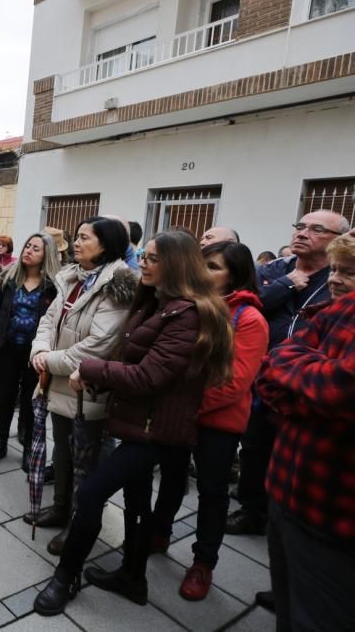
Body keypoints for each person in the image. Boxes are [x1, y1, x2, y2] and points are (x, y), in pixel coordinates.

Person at [34, 230, 234, 616]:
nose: (142, 263)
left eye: (152, 259)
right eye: (143, 256)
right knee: (137, 502)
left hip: (156, 429)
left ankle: (65, 577)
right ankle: (133, 576)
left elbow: (148, 376)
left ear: (175, 264)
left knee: (91, 493)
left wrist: (92, 368)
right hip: (137, 420)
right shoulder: (157, 302)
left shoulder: (187, 313)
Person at [150, 241, 269, 601]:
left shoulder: (249, 319)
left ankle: (203, 562)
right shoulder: (191, 307)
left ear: (236, 274)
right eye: (203, 265)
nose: (205, 273)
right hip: (179, 413)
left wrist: (185, 408)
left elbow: (234, 383)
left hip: (216, 422)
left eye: (214, 267)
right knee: (170, 479)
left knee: (213, 493)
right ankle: (158, 533)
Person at [227, 210, 348, 537]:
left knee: (295, 454)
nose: (303, 233)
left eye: (317, 229)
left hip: (307, 383)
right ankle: (252, 511)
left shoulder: (338, 277)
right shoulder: (272, 270)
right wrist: (284, 285)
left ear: (338, 241)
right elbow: (245, 304)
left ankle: (285, 516)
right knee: (254, 446)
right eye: (300, 226)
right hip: (262, 377)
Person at [254, 243, 354, 631]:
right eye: (336, 269)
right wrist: (301, 382)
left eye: (349, 272)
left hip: (331, 508)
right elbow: (271, 370)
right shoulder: (331, 311)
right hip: (290, 485)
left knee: (317, 614)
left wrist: (293, 375)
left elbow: (340, 390)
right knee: (288, 593)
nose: (336, 280)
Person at [27, 217, 138, 554]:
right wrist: (40, 350)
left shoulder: (119, 285)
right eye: (76, 236)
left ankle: (79, 522)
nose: (76, 243)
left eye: (84, 238)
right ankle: (60, 508)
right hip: (57, 382)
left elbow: (99, 345)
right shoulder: (71, 277)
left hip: (85, 390)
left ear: (105, 245)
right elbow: (48, 321)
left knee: (85, 462)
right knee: (61, 451)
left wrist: (49, 361)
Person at [0, 234, 60, 465]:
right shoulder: (9, 277)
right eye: (27, 246)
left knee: (29, 400)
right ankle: (0, 444)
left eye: (36, 249)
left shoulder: (53, 286)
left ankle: (27, 448)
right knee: (5, 397)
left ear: (47, 255)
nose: (28, 251)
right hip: (7, 348)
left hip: (34, 355)